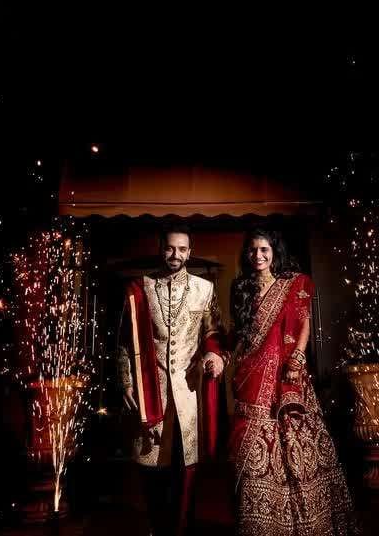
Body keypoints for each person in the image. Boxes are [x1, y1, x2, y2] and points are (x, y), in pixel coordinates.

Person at [228, 229, 357, 536]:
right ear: (246, 254)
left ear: (274, 251)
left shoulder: (291, 284)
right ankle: (261, 524)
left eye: (264, 249)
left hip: (286, 374)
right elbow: (239, 333)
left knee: (295, 444)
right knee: (251, 449)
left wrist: (297, 358)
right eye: (253, 250)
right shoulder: (241, 287)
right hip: (251, 375)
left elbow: (303, 323)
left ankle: (306, 520)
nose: (258, 255)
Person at [116, 224, 228, 536]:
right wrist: (126, 381)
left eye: (181, 249)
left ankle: (182, 528)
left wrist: (215, 355)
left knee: (185, 468)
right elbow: (124, 342)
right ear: (161, 249)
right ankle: (158, 528)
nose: (175, 254)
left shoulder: (204, 289)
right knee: (151, 469)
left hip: (188, 396)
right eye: (169, 248)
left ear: (189, 252)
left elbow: (214, 334)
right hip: (150, 392)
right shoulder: (141, 288)